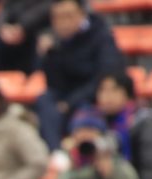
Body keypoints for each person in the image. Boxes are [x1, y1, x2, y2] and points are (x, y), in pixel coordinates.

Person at [36, 0, 125, 150]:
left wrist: (70, 103)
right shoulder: (55, 42)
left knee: (84, 112)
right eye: (57, 17)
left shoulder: (101, 36)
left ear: (82, 14)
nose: (63, 23)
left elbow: (105, 76)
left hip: (93, 97)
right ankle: (55, 152)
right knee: (45, 100)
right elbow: (53, 83)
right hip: (65, 97)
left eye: (68, 16)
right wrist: (49, 56)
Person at [93, 71, 152, 179]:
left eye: (114, 90)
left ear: (127, 94)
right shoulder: (94, 125)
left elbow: (151, 171)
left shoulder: (143, 124)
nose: (107, 96)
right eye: (102, 90)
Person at [0, 0, 50, 75]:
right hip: (10, 30)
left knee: (43, 44)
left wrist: (22, 28)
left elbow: (46, 10)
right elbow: (4, 9)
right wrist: (3, 27)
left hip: (38, 31)